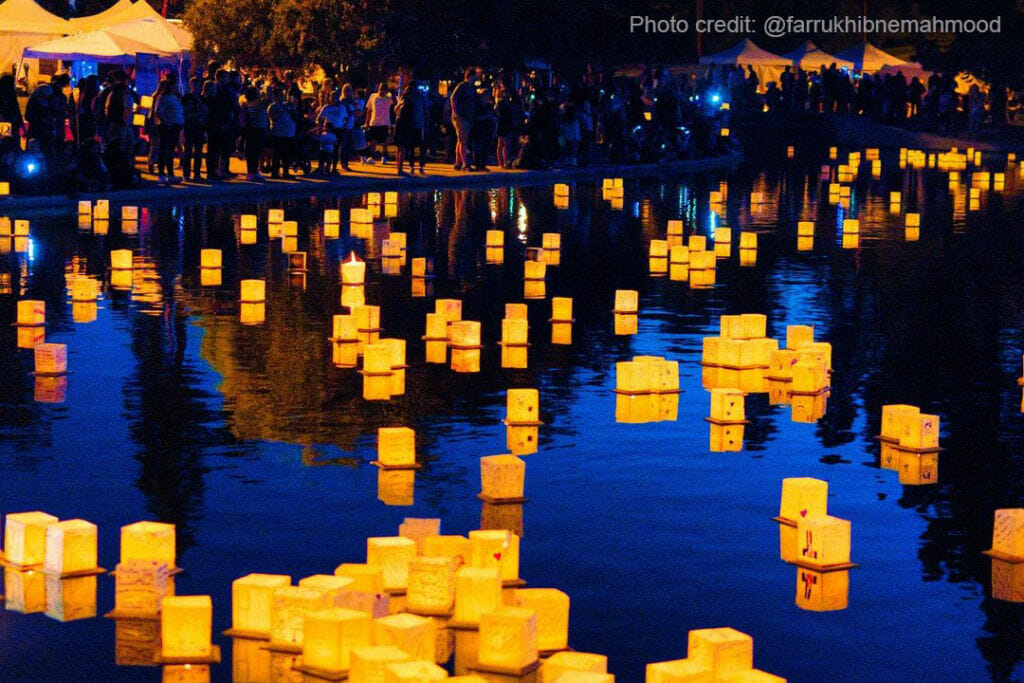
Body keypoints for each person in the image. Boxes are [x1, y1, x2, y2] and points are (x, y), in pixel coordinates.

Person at [153, 76, 183, 183]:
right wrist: (167, 121)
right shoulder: (163, 98)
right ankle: (161, 173)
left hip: (175, 126)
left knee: (170, 151)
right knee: (164, 149)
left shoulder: (175, 98)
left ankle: (170, 174)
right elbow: (158, 112)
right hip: (167, 126)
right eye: (174, 87)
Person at [394, 81, 427, 175]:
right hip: (407, 124)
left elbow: (396, 109)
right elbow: (398, 109)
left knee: (402, 147)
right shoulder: (408, 98)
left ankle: (401, 168)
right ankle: (403, 168)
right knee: (404, 146)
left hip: (409, 123)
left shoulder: (413, 97)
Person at [450, 68, 477, 170]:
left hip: (467, 116)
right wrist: (455, 112)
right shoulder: (462, 86)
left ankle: (458, 163)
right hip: (461, 116)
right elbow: (452, 97)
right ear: (471, 76)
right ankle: (465, 164)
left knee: (461, 140)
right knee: (463, 140)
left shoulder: (471, 88)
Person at [181, 77, 208, 181]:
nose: (196, 87)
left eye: (197, 85)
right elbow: (184, 112)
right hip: (189, 126)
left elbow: (206, 112)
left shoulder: (202, 98)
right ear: (190, 85)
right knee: (187, 151)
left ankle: (197, 173)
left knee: (198, 152)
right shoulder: (186, 98)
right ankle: (186, 174)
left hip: (199, 127)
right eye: (194, 85)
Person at [240, 85, 268, 181]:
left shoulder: (246, 103)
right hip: (256, 129)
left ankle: (252, 172)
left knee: (252, 152)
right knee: (254, 152)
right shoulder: (257, 104)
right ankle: (253, 172)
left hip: (251, 129)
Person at [267, 87, 297, 179]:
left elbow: (294, 115)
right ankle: (275, 172)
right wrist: (283, 109)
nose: (282, 97)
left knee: (286, 154)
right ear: (275, 97)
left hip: (288, 133)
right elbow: (274, 117)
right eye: (280, 96)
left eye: (283, 95)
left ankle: (286, 172)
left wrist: (291, 108)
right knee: (277, 153)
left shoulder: (286, 105)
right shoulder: (273, 106)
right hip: (279, 133)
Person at [365, 82, 392, 163]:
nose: (381, 92)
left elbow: (393, 101)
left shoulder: (388, 98)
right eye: (380, 90)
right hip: (374, 122)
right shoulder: (373, 96)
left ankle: (384, 157)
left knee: (385, 142)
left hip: (385, 122)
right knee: (373, 141)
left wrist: (389, 93)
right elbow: (369, 110)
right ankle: (371, 157)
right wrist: (367, 122)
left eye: (384, 90)